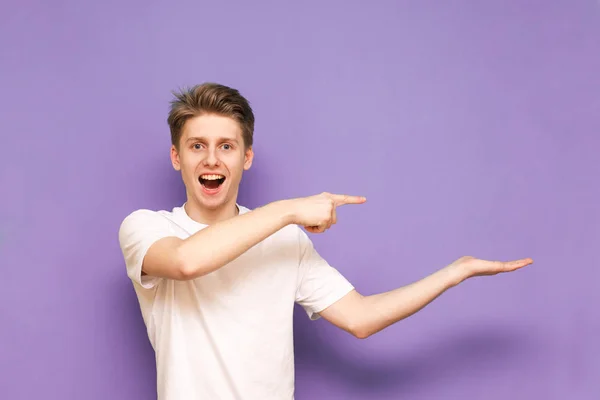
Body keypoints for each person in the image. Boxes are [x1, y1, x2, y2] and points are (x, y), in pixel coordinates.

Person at [118, 82, 533, 400]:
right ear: (177, 157)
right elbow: (187, 262)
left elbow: (362, 318)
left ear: (246, 158)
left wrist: (454, 272)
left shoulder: (285, 241)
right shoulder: (147, 229)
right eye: (197, 146)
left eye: (226, 146)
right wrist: (289, 210)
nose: (211, 159)